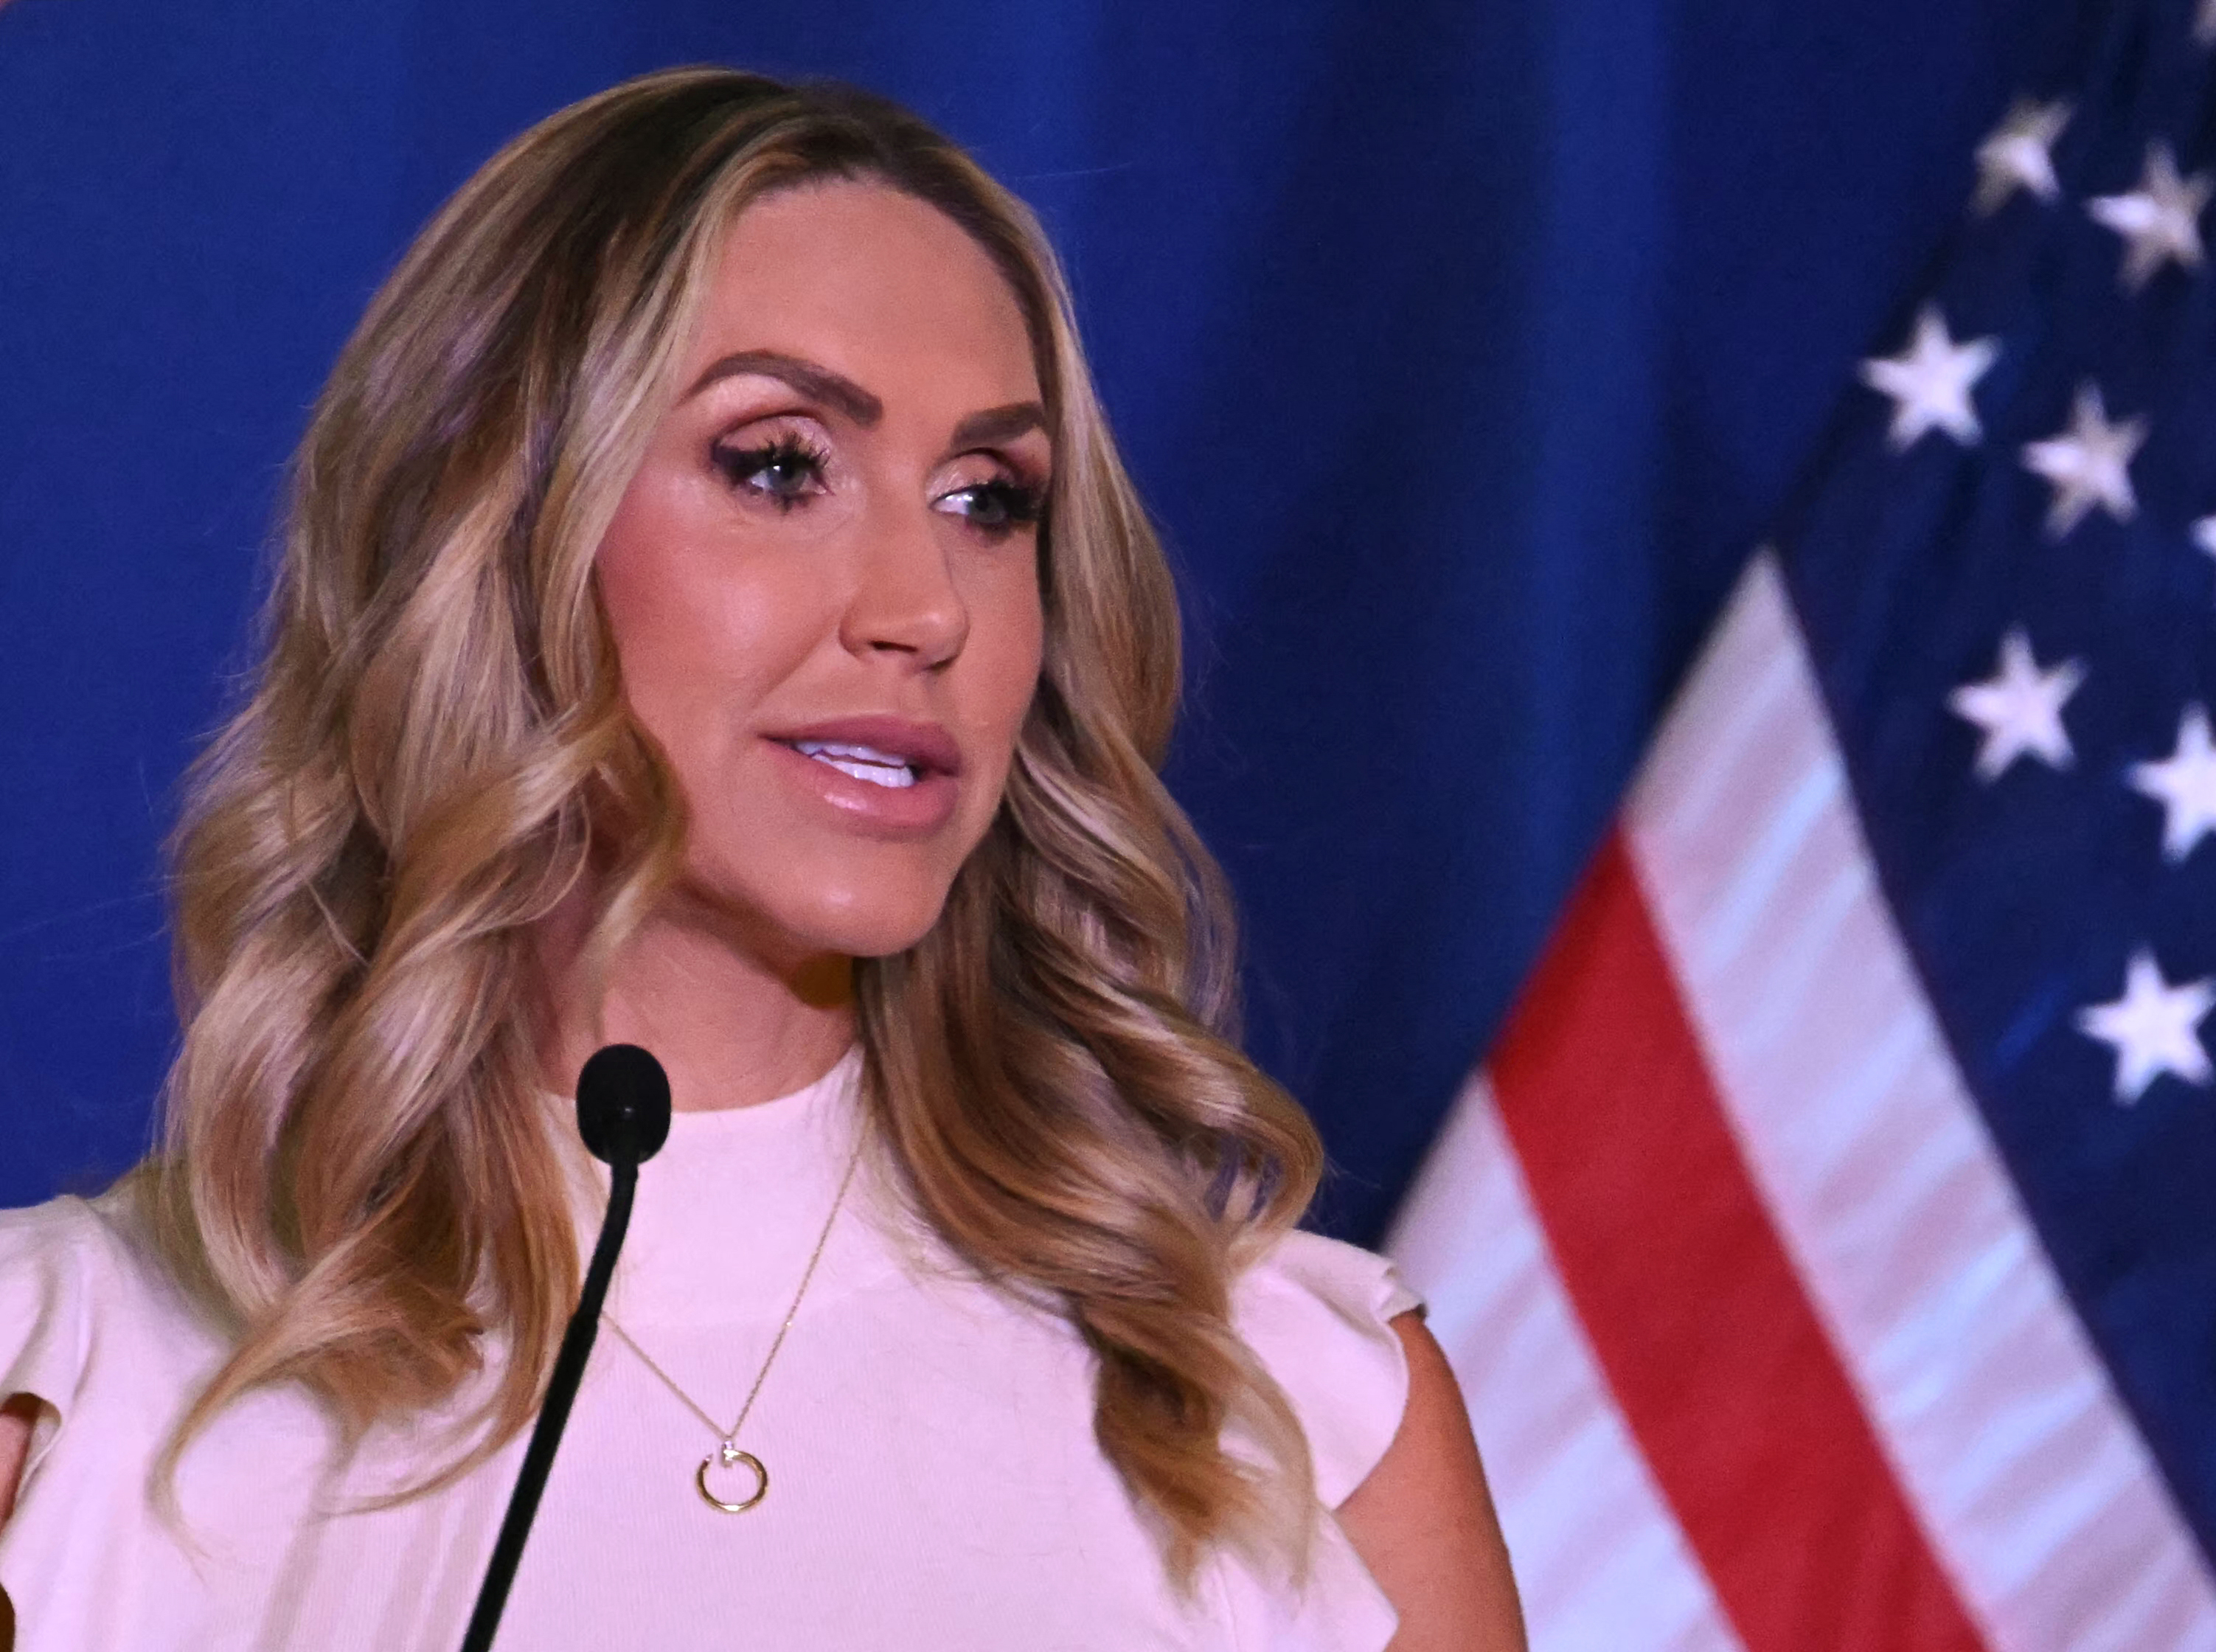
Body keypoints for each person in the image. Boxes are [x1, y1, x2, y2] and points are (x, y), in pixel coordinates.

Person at [0, 69, 1522, 1650]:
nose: (926, 607)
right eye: (780, 466)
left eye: (989, 499)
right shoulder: (62, 1399)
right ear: (498, 538)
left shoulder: (1296, 1413)